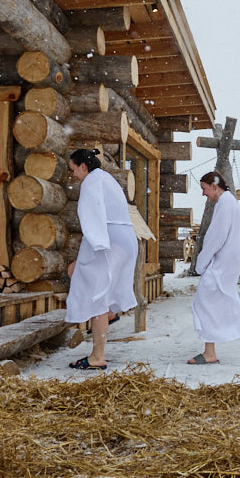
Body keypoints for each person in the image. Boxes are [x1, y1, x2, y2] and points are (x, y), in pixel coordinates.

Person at [64, 149, 138, 370]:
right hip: (125, 239)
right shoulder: (106, 178)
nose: (73, 174)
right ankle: (109, 314)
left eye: (74, 169)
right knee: (81, 274)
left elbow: (91, 212)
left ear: (83, 166)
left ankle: (97, 357)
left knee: (97, 295)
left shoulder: (91, 182)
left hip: (108, 240)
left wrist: (97, 244)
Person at [188, 171, 240, 364]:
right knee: (219, 301)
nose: (203, 194)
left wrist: (201, 262)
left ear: (214, 186)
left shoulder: (224, 203)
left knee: (204, 303)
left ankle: (211, 352)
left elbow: (216, 237)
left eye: (204, 188)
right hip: (228, 260)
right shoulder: (228, 201)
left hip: (222, 262)